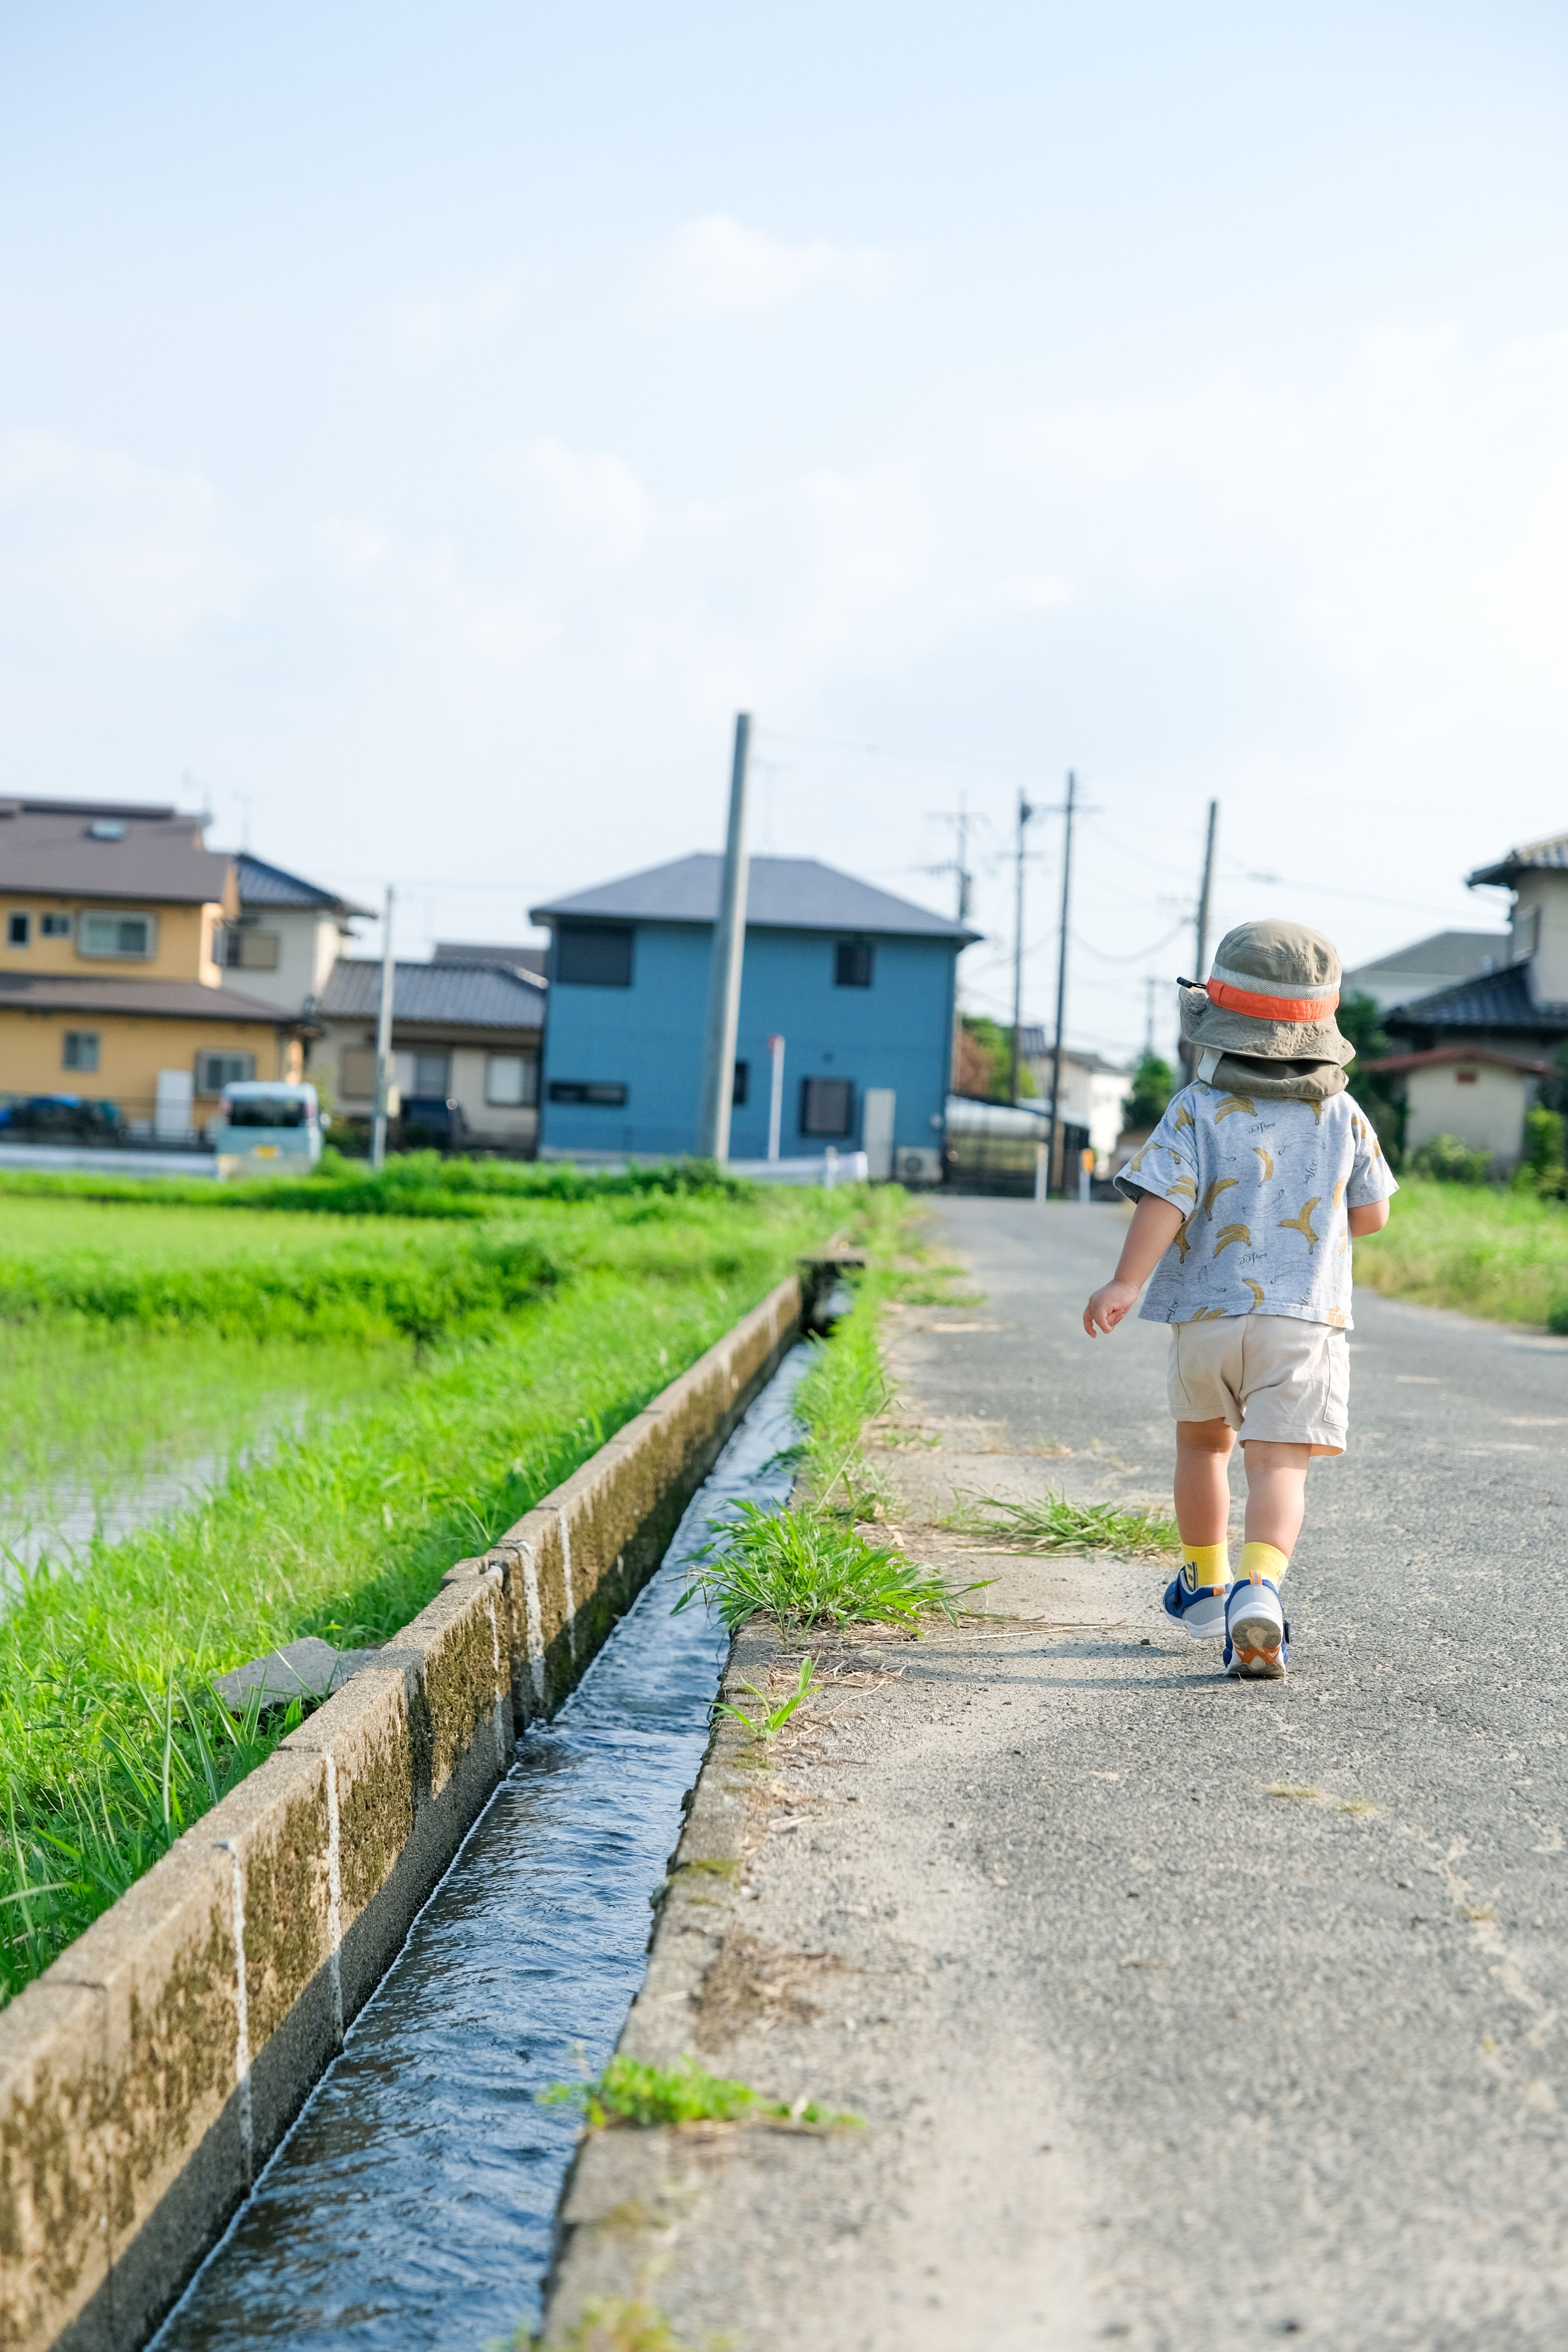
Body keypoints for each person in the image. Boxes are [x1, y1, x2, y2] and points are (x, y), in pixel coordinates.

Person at [1082, 919, 1396, 1680]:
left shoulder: (1194, 1109)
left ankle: (1202, 1577)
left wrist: (1126, 1282)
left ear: (1216, 1028)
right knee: (1278, 1464)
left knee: (1201, 1444)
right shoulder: (1342, 1115)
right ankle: (1257, 1586)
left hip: (1205, 1320)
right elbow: (1370, 1215)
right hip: (1300, 1325)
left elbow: (1162, 1199)